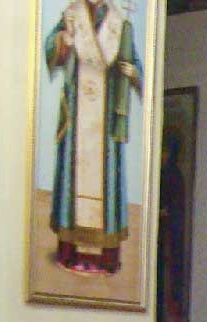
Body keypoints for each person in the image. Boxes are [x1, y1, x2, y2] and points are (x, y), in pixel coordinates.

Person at [43, 0, 143, 275]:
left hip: (106, 119)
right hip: (77, 115)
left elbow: (135, 64)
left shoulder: (119, 24)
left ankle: (108, 256)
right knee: (73, 175)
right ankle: (68, 250)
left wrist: (134, 73)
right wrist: (63, 41)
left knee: (106, 180)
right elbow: (52, 47)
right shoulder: (72, 14)